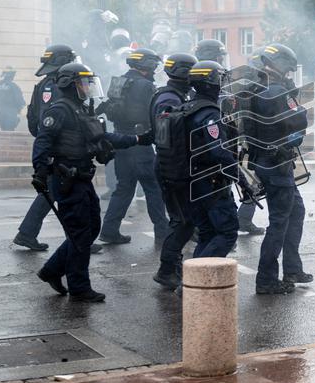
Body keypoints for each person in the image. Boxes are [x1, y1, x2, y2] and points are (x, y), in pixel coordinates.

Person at [33, 62, 152, 302]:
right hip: (67, 178)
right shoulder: (59, 110)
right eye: (83, 83)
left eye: (88, 83)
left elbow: (103, 137)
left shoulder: (80, 109)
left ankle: (52, 270)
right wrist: (40, 171)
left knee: (90, 229)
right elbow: (43, 141)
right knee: (79, 233)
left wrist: (137, 139)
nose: (88, 87)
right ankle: (79, 287)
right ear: (69, 85)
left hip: (82, 177)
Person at [152, 60, 240, 291]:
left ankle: (190, 284)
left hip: (190, 182)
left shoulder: (185, 107)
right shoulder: (208, 113)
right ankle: (192, 286)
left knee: (208, 232)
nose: (222, 84)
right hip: (210, 182)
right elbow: (217, 150)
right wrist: (238, 174)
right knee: (227, 232)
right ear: (211, 83)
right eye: (219, 79)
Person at [248, 44, 311, 295]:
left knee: (296, 212)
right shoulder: (276, 92)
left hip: (266, 161)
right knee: (279, 223)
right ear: (281, 65)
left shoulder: (259, 90)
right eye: (289, 69)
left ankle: (293, 269)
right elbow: (299, 119)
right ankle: (266, 279)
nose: (290, 74)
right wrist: (293, 98)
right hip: (276, 164)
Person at [96, 48, 169, 246]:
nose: (155, 68)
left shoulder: (120, 81)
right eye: (153, 64)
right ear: (145, 65)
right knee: (153, 188)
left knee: (124, 188)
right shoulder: (145, 86)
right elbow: (153, 113)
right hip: (140, 142)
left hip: (121, 140)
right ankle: (163, 232)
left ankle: (109, 230)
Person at [12, 43, 78, 252]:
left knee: (52, 192)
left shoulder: (43, 84)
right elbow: (62, 117)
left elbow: (34, 120)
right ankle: (76, 238)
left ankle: (27, 233)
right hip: (59, 146)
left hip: (48, 144)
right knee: (65, 191)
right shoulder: (59, 85)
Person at [199, 39, 262, 236]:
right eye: (218, 57)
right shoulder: (203, 84)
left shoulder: (219, 83)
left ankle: (239, 220)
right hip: (213, 151)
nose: (221, 61)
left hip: (226, 144)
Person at [150, 52, 198, 289]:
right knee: (181, 221)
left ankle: (171, 267)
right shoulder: (168, 100)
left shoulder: (176, 95)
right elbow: (168, 139)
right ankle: (167, 269)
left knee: (185, 220)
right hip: (172, 166)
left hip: (175, 165)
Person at [0, 67, 25, 131]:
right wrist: (19, 110)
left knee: (3, 130)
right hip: (11, 112)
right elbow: (19, 100)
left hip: (1, 112)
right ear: (11, 75)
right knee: (10, 131)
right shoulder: (13, 86)